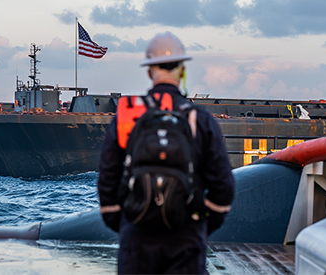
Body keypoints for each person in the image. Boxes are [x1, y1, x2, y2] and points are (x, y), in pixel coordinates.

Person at [97, 31, 236, 274]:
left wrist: (128, 223)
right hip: (186, 239)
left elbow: (107, 179)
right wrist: (199, 223)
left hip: (136, 238)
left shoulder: (128, 115)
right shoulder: (199, 119)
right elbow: (223, 187)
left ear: (150, 71)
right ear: (182, 70)